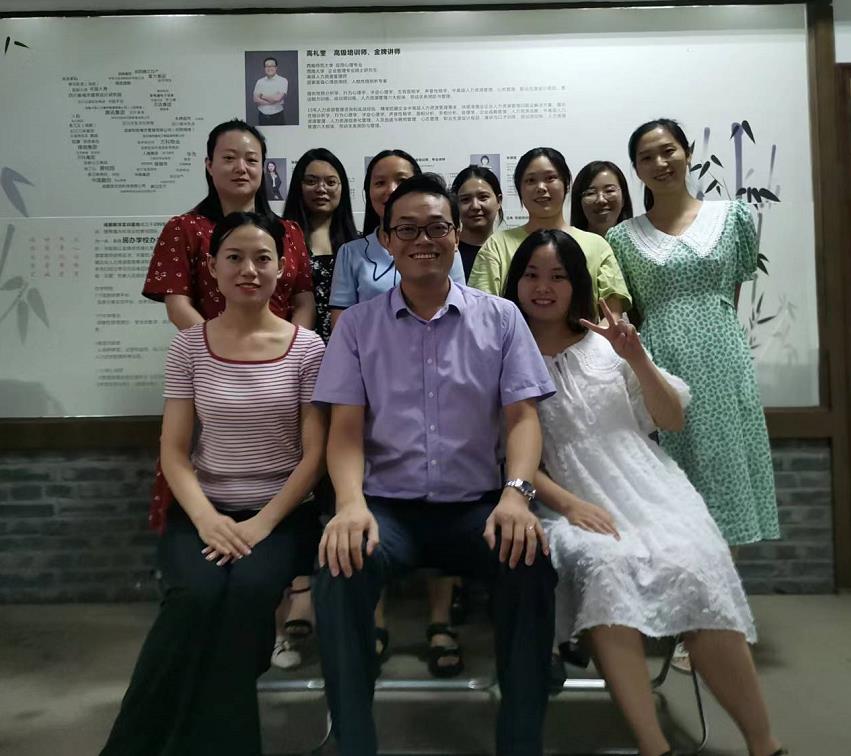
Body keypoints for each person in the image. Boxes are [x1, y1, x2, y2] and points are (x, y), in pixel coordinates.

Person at [502, 228, 787, 756]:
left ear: (578, 284)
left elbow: (671, 418)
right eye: (532, 275)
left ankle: (763, 744)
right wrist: (569, 504)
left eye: (558, 276)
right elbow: (507, 456)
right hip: (559, 499)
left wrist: (636, 357)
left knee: (695, 562)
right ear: (514, 282)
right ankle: (654, 747)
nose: (543, 287)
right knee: (605, 567)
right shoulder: (503, 353)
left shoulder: (608, 346)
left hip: (648, 486)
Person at [313, 173, 557, 756]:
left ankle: (520, 741)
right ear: (387, 240)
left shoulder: (501, 318)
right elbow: (344, 430)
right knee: (339, 568)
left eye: (436, 228)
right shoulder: (357, 327)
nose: (423, 240)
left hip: (477, 508)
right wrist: (349, 505)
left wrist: (516, 495)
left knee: (530, 561)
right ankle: (354, 743)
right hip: (387, 511)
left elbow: (523, 419)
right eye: (407, 229)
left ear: (455, 234)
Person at [100, 212, 327, 756]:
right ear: (213, 267)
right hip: (203, 511)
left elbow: (315, 455)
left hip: (280, 516)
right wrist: (207, 519)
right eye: (235, 258)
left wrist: (260, 524)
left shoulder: (307, 348)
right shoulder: (190, 346)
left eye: (263, 258)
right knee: (194, 597)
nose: (249, 269)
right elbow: (174, 452)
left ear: (282, 268)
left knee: (245, 596)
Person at [606, 118, 779, 548]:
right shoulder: (622, 237)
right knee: (671, 468)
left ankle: (726, 584)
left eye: (668, 151)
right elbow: (629, 312)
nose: (660, 163)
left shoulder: (732, 216)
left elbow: (731, 295)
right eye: (646, 157)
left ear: (688, 154)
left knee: (726, 464)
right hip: (660, 361)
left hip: (723, 358)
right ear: (636, 169)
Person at [142, 118, 315, 534]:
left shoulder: (288, 231)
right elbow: (177, 303)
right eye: (229, 158)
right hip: (213, 371)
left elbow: (303, 300)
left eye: (251, 159)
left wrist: (290, 347)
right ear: (209, 164)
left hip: (282, 370)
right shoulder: (184, 228)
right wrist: (221, 349)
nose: (241, 167)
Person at [328, 150, 465, 673]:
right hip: (378, 379)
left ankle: (441, 620)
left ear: (453, 234)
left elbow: (459, 306)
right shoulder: (354, 255)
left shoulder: (489, 308)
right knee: (357, 533)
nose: (389, 188)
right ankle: (374, 623)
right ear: (387, 234)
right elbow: (341, 318)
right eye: (379, 181)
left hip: (442, 384)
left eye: (400, 179)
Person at [273, 148, 357, 669]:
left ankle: (337, 589)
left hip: (353, 378)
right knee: (297, 471)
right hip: (291, 369)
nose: (321, 189)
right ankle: (297, 589)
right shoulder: (281, 239)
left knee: (339, 476)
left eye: (331, 181)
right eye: (311, 180)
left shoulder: (358, 244)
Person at [468, 146, 631, 316]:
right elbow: (482, 313)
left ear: (566, 184)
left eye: (550, 178)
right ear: (519, 190)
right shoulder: (497, 245)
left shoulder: (597, 245)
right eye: (531, 180)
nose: (541, 187)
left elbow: (613, 315)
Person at [450, 164, 504, 281]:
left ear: (499, 201)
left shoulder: (508, 250)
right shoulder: (448, 252)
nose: (475, 206)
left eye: (483, 197)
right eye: (465, 199)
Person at [570, 160, 633, 237]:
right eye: (590, 193)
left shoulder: (639, 242)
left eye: (609, 190)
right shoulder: (568, 243)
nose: (601, 200)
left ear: (624, 197)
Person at [253, 56, 288, 126]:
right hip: (262, 115)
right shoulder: (260, 81)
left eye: (272, 66)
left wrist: (262, 96)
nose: (269, 68)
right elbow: (255, 99)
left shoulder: (283, 80)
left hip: (277, 116)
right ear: (264, 68)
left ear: (276, 67)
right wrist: (272, 101)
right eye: (267, 66)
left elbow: (277, 98)